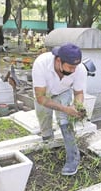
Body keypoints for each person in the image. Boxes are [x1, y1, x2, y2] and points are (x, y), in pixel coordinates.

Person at [32, 43, 87, 176]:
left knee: (65, 121)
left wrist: (75, 106)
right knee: (44, 121)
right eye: (70, 67)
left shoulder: (80, 69)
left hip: (63, 91)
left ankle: (73, 158)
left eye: (75, 67)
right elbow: (41, 98)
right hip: (44, 94)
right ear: (58, 61)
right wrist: (65, 108)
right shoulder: (41, 64)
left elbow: (79, 93)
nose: (73, 70)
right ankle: (48, 145)